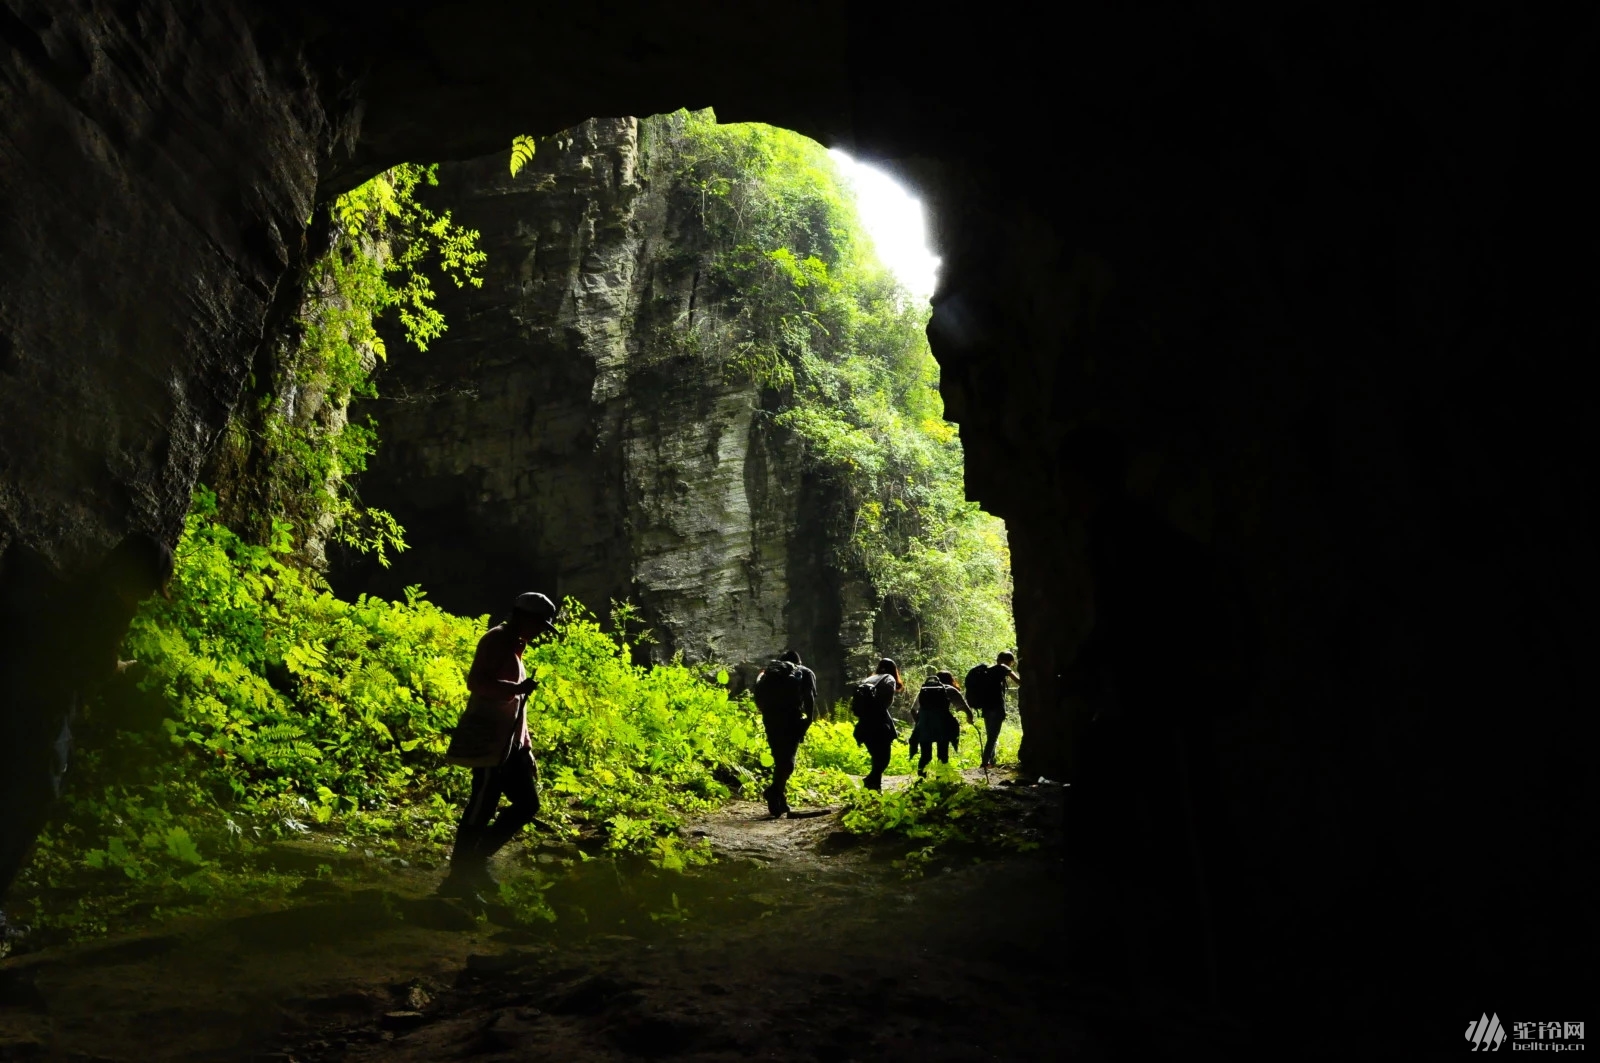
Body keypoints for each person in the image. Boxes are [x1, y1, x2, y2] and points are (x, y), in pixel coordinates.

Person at [439, 591, 558, 897]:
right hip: (490, 742)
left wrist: (527, 747)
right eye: (539, 624)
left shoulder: (517, 647)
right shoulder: (496, 640)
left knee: (527, 804)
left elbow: (519, 706)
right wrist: (515, 688)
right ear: (522, 617)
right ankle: (459, 876)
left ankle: (474, 862)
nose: (540, 631)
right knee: (481, 807)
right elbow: (477, 683)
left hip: (511, 745)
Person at [752, 649, 817, 817]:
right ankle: (773, 792)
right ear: (799, 662)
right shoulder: (803, 672)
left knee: (780, 759)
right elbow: (809, 697)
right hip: (790, 718)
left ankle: (781, 800)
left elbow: (758, 697)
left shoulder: (768, 674)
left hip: (771, 718)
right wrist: (808, 719)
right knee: (788, 762)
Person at [849, 658, 903, 790]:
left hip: (864, 722)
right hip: (879, 721)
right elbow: (887, 700)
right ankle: (870, 780)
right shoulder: (889, 678)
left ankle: (875, 786)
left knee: (876, 754)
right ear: (894, 670)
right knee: (884, 756)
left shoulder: (869, 679)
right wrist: (880, 709)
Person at [910, 670, 974, 776]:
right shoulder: (950, 689)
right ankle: (941, 781)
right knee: (942, 755)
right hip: (943, 725)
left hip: (925, 725)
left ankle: (921, 780)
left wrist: (920, 723)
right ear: (950, 680)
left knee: (925, 756)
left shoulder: (925, 689)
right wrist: (970, 718)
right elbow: (964, 707)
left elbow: (913, 710)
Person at [964, 651, 1021, 768]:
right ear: (1008, 661)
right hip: (997, 708)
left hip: (986, 708)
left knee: (991, 735)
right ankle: (985, 762)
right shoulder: (1003, 667)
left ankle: (991, 762)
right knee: (993, 737)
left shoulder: (986, 670)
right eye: (1011, 663)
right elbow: (1019, 682)